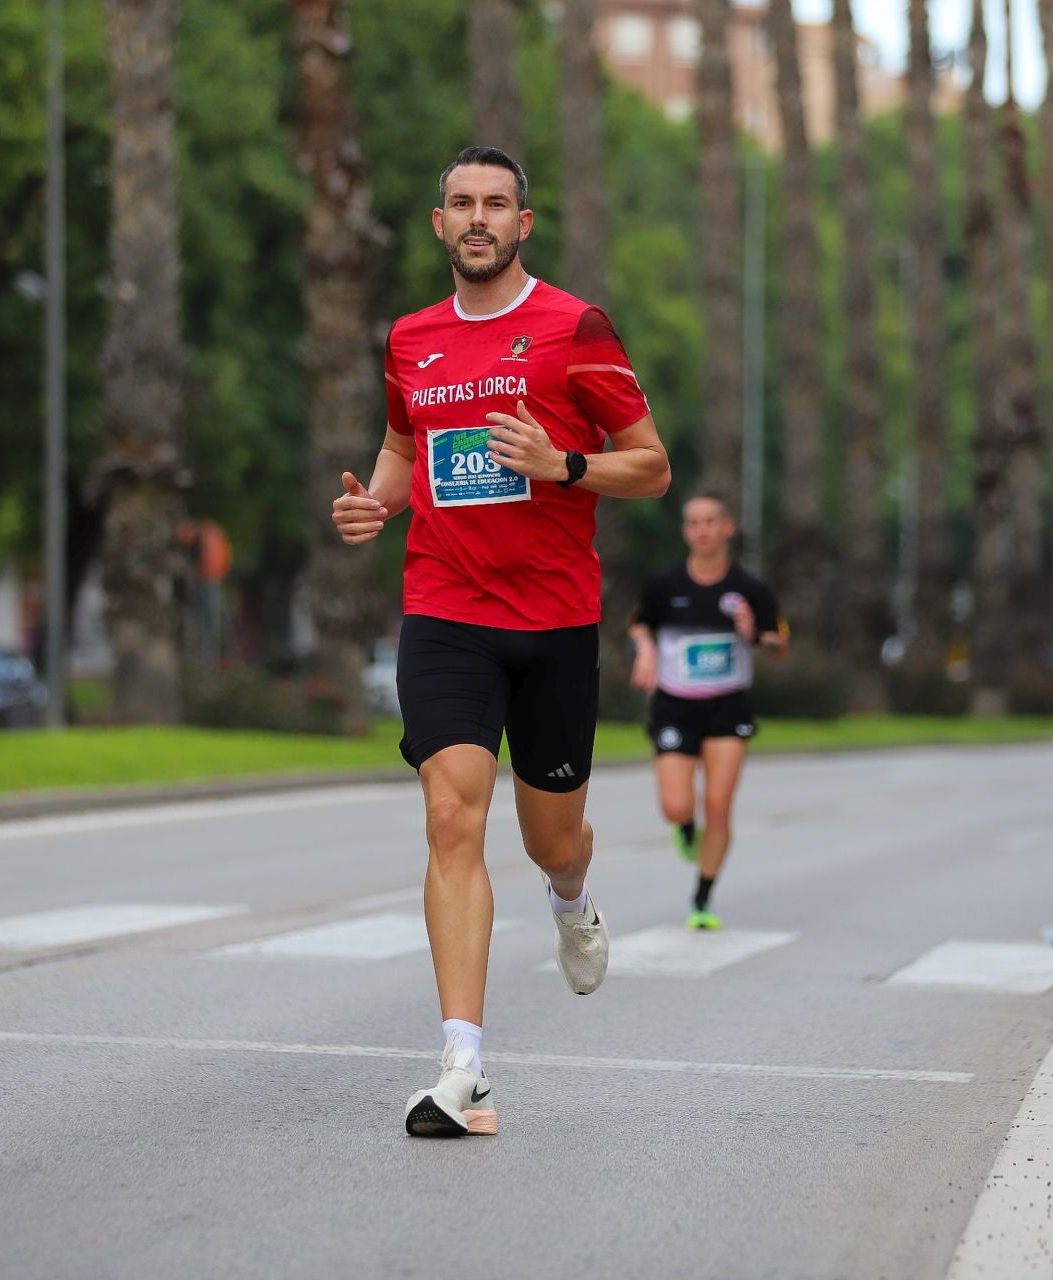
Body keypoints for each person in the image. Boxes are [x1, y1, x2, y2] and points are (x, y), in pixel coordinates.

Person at [331, 146, 671, 1137]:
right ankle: (463, 1066)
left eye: (496, 204)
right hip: (446, 608)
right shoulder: (410, 337)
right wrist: (375, 504)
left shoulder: (575, 328)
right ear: (438, 223)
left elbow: (648, 465)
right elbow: (404, 445)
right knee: (450, 818)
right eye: (461, 203)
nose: (477, 218)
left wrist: (562, 461)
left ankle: (571, 895)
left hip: (555, 618)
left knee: (548, 834)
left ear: (525, 222)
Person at [627, 495, 787, 931]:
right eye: (694, 522)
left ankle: (702, 898)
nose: (702, 530)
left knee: (718, 807)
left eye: (710, 521)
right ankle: (684, 829)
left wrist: (755, 635)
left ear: (727, 528)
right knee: (677, 805)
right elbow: (640, 622)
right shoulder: (664, 585)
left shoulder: (751, 590)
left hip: (727, 706)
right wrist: (645, 650)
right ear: (685, 531)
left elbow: (778, 646)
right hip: (674, 705)